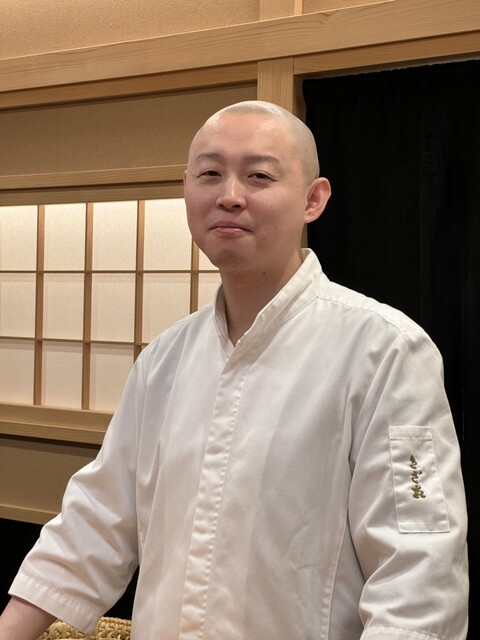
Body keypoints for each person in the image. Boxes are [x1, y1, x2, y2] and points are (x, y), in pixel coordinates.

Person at [0, 100, 469, 640]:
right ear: (186, 189)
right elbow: (97, 520)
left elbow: (418, 571)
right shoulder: (164, 359)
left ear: (313, 199)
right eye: (209, 174)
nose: (229, 195)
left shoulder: (385, 350)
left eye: (259, 176)